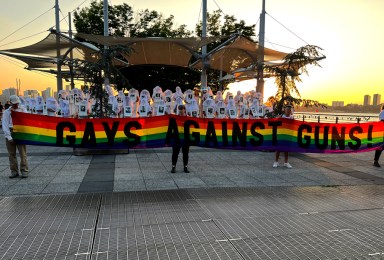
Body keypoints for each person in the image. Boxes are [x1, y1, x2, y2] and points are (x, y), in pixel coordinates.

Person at [2, 95, 29, 178]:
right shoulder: (7, 112)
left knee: (23, 153)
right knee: (11, 154)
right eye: (14, 104)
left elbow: (27, 120)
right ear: (10, 103)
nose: (16, 105)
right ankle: (14, 171)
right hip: (10, 131)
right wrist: (9, 137)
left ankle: (24, 170)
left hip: (20, 132)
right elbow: (5, 125)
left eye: (17, 103)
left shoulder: (22, 110)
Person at [171, 105, 190, 173]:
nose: (181, 110)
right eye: (179, 109)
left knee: (185, 153)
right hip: (177, 138)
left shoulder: (188, 118)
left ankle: (185, 166)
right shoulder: (176, 118)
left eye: (182, 109)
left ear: (185, 109)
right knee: (175, 153)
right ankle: (173, 166)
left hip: (185, 138)